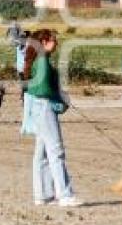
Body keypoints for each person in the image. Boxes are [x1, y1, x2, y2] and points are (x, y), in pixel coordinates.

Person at [24, 29, 82, 207]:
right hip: (44, 108)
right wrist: (60, 101)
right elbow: (42, 89)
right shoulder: (42, 61)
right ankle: (64, 194)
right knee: (56, 151)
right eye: (53, 40)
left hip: (39, 108)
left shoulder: (40, 60)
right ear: (43, 42)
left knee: (41, 153)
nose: (56, 42)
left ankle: (42, 195)